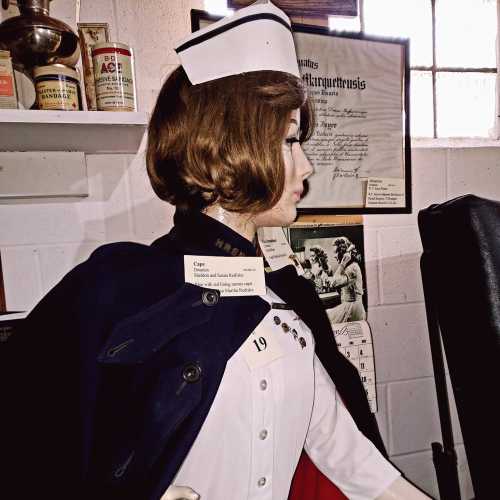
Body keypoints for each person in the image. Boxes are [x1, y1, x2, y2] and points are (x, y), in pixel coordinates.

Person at [1, 2, 431, 499]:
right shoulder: (114, 286)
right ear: (228, 147)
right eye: (290, 141)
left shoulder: (290, 307)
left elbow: (355, 463)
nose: (307, 166)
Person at [327, 237, 367, 324]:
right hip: (348, 307)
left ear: (343, 253)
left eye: (336, 252)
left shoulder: (352, 268)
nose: (334, 256)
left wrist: (342, 263)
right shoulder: (349, 267)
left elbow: (333, 283)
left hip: (353, 310)